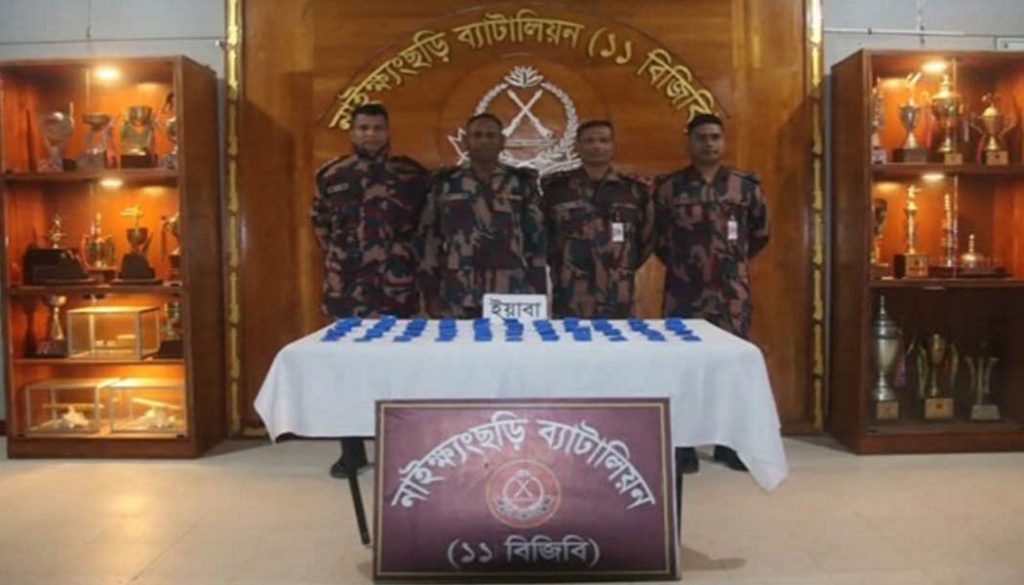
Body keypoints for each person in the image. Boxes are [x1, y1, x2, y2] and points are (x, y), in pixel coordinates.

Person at [311, 103, 429, 478]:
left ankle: (402, 449)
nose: (371, 134)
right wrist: (346, 259)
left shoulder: (411, 175)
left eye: (378, 128)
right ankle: (352, 452)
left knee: (400, 369)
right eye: (363, 128)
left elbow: (426, 227)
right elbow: (321, 226)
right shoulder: (332, 174)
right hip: (347, 286)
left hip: (398, 286)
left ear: (388, 131)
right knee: (346, 369)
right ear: (352, 132)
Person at [654, 113, 770, 473]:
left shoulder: (744, 187)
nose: (709, 143)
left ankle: (729, 444)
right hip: (684, 291)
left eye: (715, 137)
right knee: (682, 367)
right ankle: (684, 445)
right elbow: (657, 237)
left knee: (730, 367)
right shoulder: (669, 188)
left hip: (730, 292)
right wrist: (688, 266)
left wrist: (728, 264)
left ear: (723, 141)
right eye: (702, 137)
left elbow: (760, 233)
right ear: (689, 142)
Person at [419, 113, 547, 317]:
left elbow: (536, 240)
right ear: (466, 141)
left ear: (502, 141)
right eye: (477, 135)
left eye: (490, 135)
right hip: (457, 290)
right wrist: (430, 292)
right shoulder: (446, 183)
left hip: (511, 292)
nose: (484, 141)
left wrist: (538, 291)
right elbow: (430, 240)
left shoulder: (520, 183)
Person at [542, 120, 654, 318]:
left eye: (603, 140)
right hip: (571, 294)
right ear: (577, 146)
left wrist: (620, 264)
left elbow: (647, 237)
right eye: (589, 141)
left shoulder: (634, 191)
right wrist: (566, 264)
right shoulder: (556, 189)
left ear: (613, 145)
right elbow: (542, 236)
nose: (597, 146)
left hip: (618, 295)